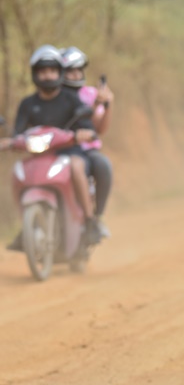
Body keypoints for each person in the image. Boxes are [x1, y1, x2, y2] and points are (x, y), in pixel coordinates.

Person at [1, 45, 102, 249]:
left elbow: (87, 126)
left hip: (69, 151)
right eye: (43, 71)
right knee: (18, 171)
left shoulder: (70, 99)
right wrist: (9, 141)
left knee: (76, 166)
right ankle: (25, 226)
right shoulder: (27, 104)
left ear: (59, 73)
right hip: (40, 155)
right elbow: (18, 132)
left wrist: (84, 133)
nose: (48, 75)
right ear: (35, 74)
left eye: (52, 71)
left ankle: (90, 220)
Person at [61, 46, 114, 237]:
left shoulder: (90, 94)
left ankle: (97, 217)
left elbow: (99, 128)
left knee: (103, 165)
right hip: (59, 148)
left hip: (85, 150)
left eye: (78, 70)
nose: (75, 74)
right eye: (70, 70)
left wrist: (106, 105)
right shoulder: (55, 95)